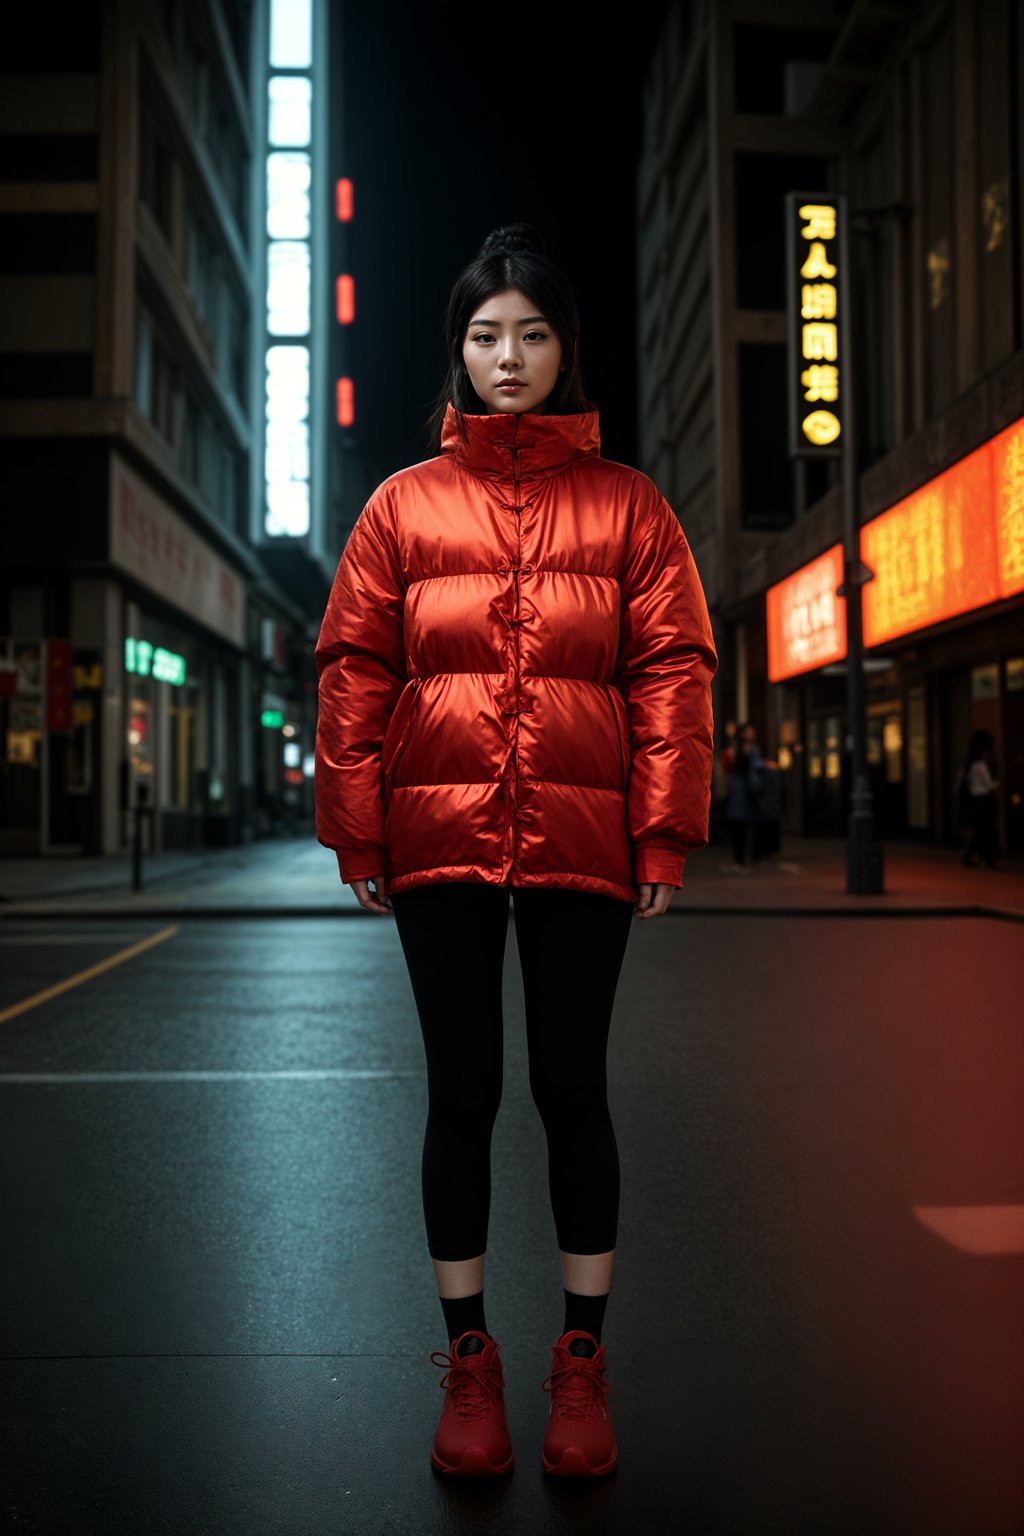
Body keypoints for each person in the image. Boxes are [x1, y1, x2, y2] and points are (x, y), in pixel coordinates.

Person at [314, 223, 718, 1480]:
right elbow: (355, 667)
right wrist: (357, 825)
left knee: (572, 1090)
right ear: (457, 353)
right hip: (435, 838)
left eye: (531, 334)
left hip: (581, 837)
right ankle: (472, 1365)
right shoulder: (400, 505)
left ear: (564, 352)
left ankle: (580, 1370)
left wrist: (661, 829)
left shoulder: (631, 506)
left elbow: (672, 671)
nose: (508, 356)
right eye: (485, 335)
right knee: (461, 1096)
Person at [722, 721, 763, 871]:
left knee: (743, 824)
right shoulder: (747, 750)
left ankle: (743, 857)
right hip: (744, 790)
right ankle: (743, 857)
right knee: (743, 825)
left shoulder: (743, 749)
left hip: (741, 790)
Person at [960, 728, 1001, 869]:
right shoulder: (981, 765)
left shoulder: (969, 765)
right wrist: (999, 783)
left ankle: (973, 855)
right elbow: (989, 785)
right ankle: (985, 858)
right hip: (984, 800)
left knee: (980, 831)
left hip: (974, 801)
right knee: (987, 831)